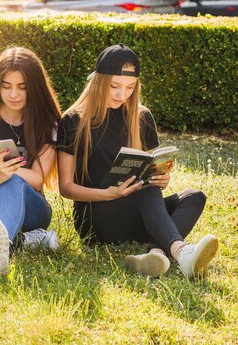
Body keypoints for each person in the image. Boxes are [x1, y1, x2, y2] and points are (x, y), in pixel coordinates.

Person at [57, 43, 219, 278]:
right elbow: (66, 188)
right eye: (114, 86)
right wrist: (109, 194)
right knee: (145, 190)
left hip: (137, 214)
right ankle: (181, 253)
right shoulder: (73, 121)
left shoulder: (141, 117)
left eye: (130, 87)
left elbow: (152, 169)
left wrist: (162, 177)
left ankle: (156, 255)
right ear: (99, 81)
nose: (122, 95)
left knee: (194, 196)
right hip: (95, 217)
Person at [0, 47, 62, 275]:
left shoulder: (48, 123)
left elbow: (36, 180)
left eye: (22, 87)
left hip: (33, 210)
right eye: (6, 86)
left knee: (13, 180)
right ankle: (26, 241)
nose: (13, 94)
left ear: (34, 88)